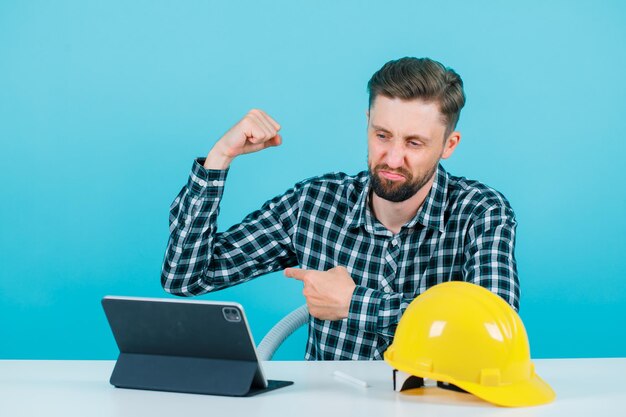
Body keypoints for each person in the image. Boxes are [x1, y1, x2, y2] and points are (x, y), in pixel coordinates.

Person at [161, 57, 520, 360]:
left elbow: (493, 332)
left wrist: (355, 303)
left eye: (414, 142)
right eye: (382, 136)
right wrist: (218, 159)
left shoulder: (481, 212)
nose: (393, 158)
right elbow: (186, 277)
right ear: (367, 123)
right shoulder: (315, 204)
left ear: (448, 145)